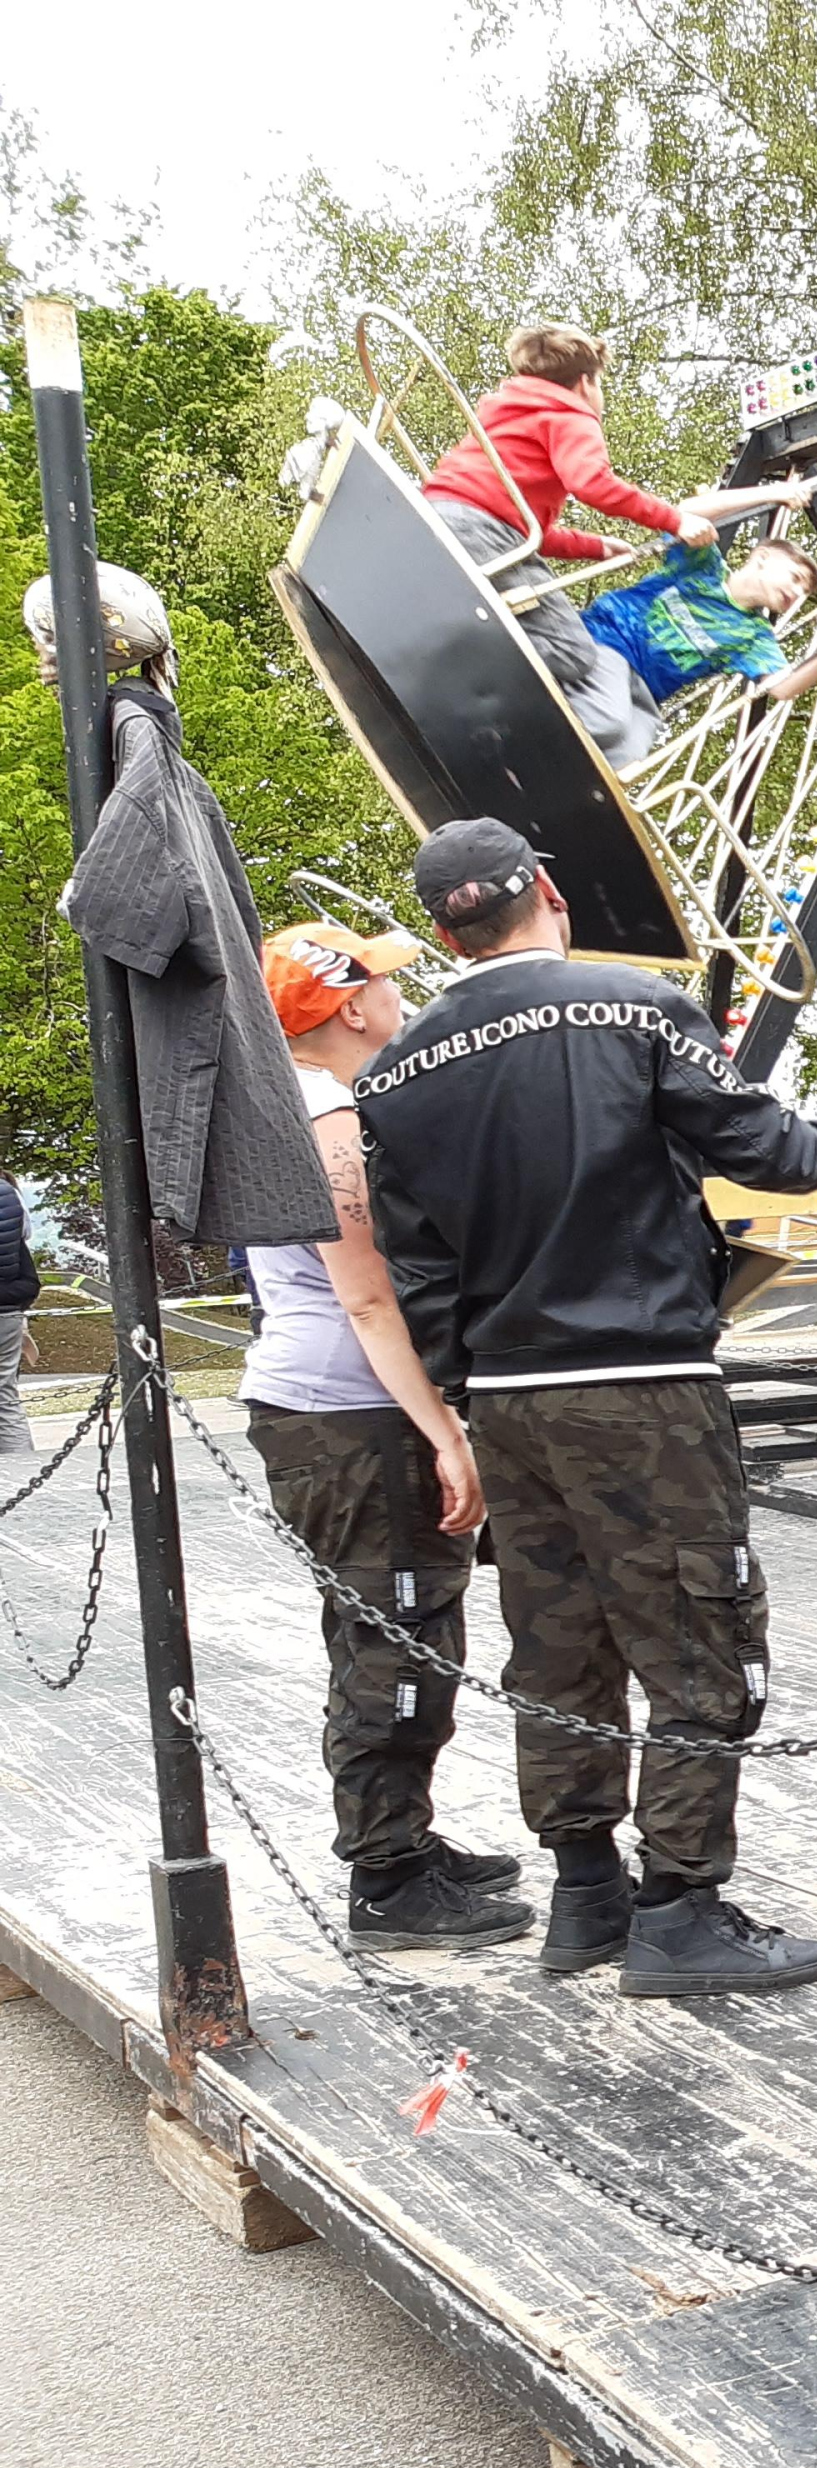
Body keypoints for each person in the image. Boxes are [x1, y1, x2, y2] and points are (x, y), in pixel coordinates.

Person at [351, 820, 817, 1995]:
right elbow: (757, 1143)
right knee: (699, 1639)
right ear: (548, 891)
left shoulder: (394, 1074)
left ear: (441, 931)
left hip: (509, 1397)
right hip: (643, 1381)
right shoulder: (632, 1007)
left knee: (559, 1644)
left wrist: (469, 1391)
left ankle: (585, 1894)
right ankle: (680, 1910)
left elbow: (418, 1266)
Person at [245, 924, 530, 1947]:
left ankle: (400, 1837)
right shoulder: (327, 1119)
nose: (399, 997)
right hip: (355, 1412)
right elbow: (368, 1298)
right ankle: (388, 1877)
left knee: (387, 1629)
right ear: (351, 1007)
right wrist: (445, 1431)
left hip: (332, 1406)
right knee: (401, 1635)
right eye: (382, 984)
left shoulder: (293, 1104)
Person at [29, 566, 339, 1255]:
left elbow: (125, 901)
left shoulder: (133, 735)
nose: (41, 661)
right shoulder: (145, 740)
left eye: (47, 642)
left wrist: (82, 894)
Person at [417, 321, 805, 771]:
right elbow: (592, 484)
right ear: (586, 382)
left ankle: (465, 666)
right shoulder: (572, 414)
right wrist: (675, 520)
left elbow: (526, 529)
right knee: (572, 651)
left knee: (622, 724)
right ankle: (477, 686)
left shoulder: (509, 408)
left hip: (443, 514)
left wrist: (595, 546)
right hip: (488, 533)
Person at [574, 530, 817, 766]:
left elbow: (783, 687)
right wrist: (775, 495)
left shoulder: (754, 636)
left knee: (628, 758)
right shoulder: (703, 567)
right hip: (609, 642)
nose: (797, 593)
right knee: (609, 720)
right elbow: (689, 514)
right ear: (763, 557)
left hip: (645, 693)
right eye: (795, 578)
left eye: (804, 592)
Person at [0, 1172, 35, 1459]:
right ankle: (23, 1469)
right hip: (8, 1314)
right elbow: (28, 1279)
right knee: (6, 1398)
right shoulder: (10, 1196)